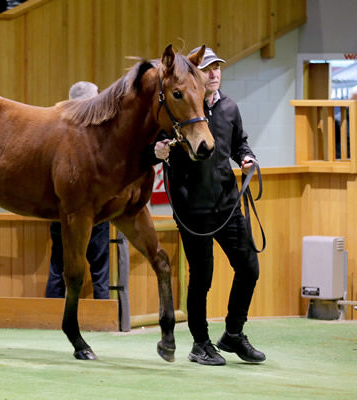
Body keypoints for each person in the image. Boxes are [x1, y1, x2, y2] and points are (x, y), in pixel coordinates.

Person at [152, 47, 265, 365]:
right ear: (195, 75)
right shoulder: (180, 108)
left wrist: (246, 157)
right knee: (202, 278)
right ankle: (200, 343)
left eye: (217, 68)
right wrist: (155, 153)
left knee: (249, 268)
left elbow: (239, 141)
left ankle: (232, 334)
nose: (214, 73)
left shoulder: (229, 107)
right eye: (207, 69)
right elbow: (153, 147)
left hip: (227, 206)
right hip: (192, 211)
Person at [45, 81, 111, 300]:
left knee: (59, 264)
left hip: (61, 210)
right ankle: (103, 315)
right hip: (95, 210)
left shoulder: (57, 131)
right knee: (100, 269)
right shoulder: (101, 134)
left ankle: (51, 313)